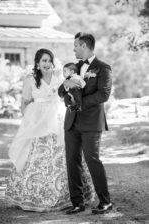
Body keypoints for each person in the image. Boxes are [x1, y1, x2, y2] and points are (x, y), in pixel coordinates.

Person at [3, 48, 94, 212]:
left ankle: (71, 196)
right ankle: (34, 194)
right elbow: (24, 101)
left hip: (58, 117)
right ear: (37, 63)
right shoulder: (30, 79)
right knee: (34, 155)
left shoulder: (60, 76)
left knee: (67, 154)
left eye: (49, 60)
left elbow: (67, 94)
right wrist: (28, 121)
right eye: (43, 60)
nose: (46, 64)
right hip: (38, 120)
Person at [58, 32, 113, 215]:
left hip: (91, 122)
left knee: (92, 160)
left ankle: (105, 202)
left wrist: (79, 103)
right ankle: (77, 202)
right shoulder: (74, 67)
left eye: (75, 45)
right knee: (72, 161)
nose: (73, 49)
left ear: (83, 46)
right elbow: (61, 90)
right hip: (72, 122)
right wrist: (67, 87)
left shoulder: (103, 68)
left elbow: (103, 95)